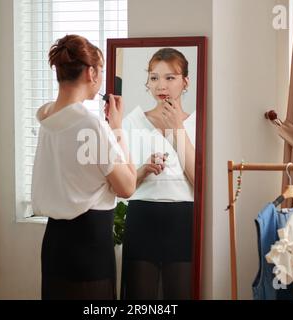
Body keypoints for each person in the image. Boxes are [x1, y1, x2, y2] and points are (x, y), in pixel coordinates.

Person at [31, 34, 136, 300]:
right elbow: (127, 187)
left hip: (54, 246)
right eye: (100, 71)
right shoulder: (89, 124)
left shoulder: (47, 118)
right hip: (89, 249)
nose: (100, 78)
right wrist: (117, 128)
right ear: (90, 72)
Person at [121, 48, 196, 300]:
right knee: (138, 299)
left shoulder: (198, 122)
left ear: (185, 82)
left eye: (170, 77)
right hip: (142, 215)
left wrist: (177, 131)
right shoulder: (132, 122)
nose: (160, 85)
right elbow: (124, 185)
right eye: (154, 78)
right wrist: (142, 170)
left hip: (182, 218)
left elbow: (201, 183)